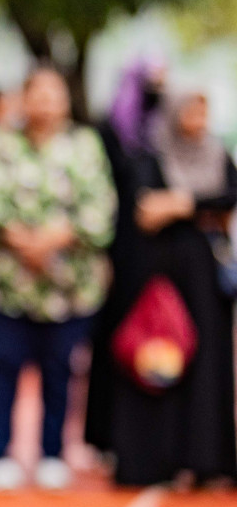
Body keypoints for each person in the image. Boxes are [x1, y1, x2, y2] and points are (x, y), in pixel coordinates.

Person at [0, 66, 116, 492]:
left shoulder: (84, 146)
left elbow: (101, 207)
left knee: (59, 370)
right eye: (38, 94)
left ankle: (51, 452)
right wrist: (19, 238)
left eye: (54, 94)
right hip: (3, 281)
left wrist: (55, 239)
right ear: (23, 99)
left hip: (66, 284)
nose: (46, 103)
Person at [101, 92, 237, 488]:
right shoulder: (152, 156)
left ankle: (206, 459)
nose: (198, 117)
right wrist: (198, 208)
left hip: (206, 275)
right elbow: (145, 210)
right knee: (159, 354)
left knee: (208, 359)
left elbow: (229, 195)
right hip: (161, 273)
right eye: (191, 109)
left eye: (204, 109)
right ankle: (154, 459)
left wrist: (182, 202)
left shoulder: (217, 155)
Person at [84, 57, 167, 455]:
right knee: (115, 335)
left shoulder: (162, 130)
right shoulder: (107, 132)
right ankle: (105, 434)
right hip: (118, 249)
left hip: (158, 252)